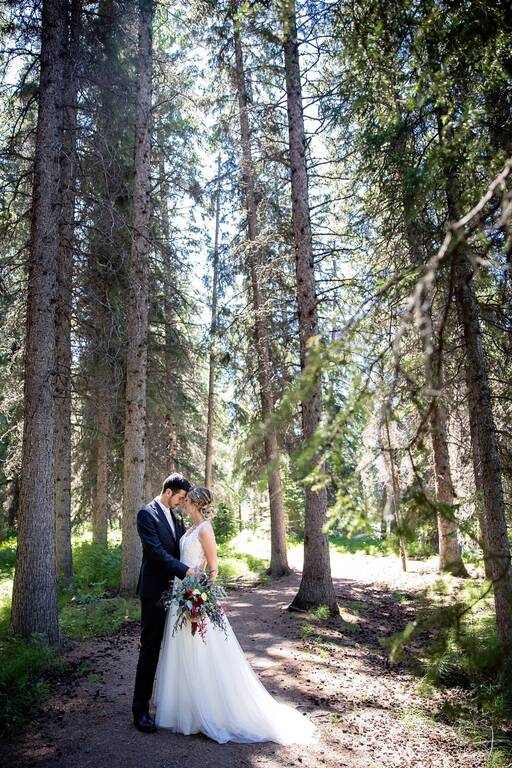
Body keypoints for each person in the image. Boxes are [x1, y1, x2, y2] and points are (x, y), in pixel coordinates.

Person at [153, 486, 319, 745]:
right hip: (180, 594)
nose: (184, 503)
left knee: (202, 651)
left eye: (188, 501)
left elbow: (213, 568)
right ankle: (184, 710)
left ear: (196, 504)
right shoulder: (189, 530)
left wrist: (199, 598)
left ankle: (207, 711)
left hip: (195, 596)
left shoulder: (205, 530)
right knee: (182, 649)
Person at [132, 473, 199, 733]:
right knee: (150, 649)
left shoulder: (176, 516)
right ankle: (140, 711)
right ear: (169, 491)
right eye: (180, 497)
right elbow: (156, 552)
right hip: (154, 592)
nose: (181, 503)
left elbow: (182, 547)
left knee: (176, 648)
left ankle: (175, 706)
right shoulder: (146, 515)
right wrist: (186, 570)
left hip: (177, 592)